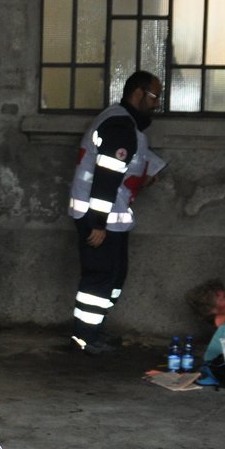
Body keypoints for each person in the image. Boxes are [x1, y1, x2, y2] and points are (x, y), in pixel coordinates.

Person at [68, 71, 167, 354]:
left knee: (113, 276)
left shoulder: (124, 123)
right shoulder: (120, 125)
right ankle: (85, 338)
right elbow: (107, 176)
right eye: (154, 97)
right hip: (100, 218)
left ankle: (94, 331)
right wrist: (98, 223)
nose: (156, 104)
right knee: (99, 278)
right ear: (137, 93)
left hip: (111, 217)